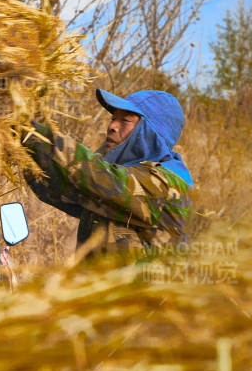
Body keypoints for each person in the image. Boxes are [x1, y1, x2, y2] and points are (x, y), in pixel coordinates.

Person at [23, 88, 194, 252]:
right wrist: (21, 147)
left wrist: (30, 131)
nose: (112, 126)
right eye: (113, 118)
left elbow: (93, 174)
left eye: (125, 120)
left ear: (149, 133)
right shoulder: (116, 181)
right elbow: (63, 190)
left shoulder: (165, 185)